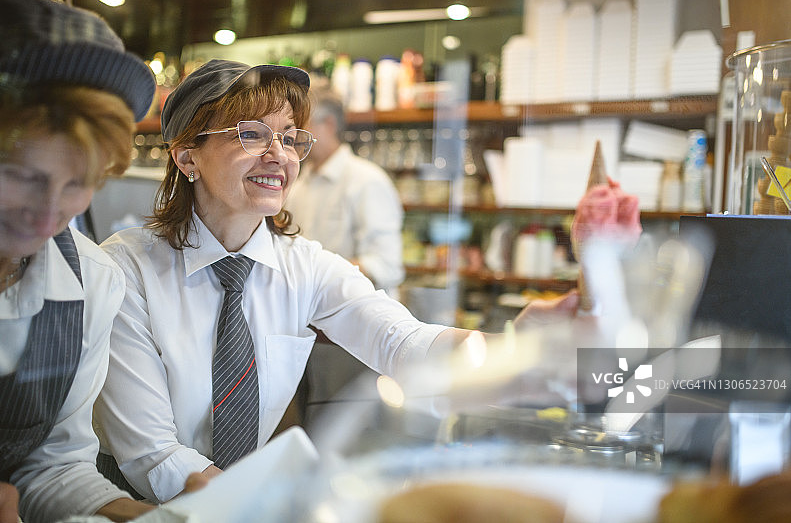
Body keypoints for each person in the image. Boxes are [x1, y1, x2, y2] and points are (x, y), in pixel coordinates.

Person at [94, 58, 579, 504]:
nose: (278, 155)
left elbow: (404, 342)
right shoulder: (125, 271)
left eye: (288, 136)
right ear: (187, 158)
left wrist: (520, 348)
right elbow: (154, 453)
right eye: (251, 135)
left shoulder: (306, 266)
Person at [0, 0, 162, 521]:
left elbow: (51, 466)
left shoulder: (92, 281)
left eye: (78, 184)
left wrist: (139, 515)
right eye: (24, 177)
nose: (48, 214)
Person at [285, 86, 404, 296]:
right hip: (308, 313)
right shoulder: (298, 182)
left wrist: (318, 275)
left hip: (357, 318)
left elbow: (386, 265)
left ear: (329, 124)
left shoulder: (367, 181)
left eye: (301, 126)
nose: (294, 137)